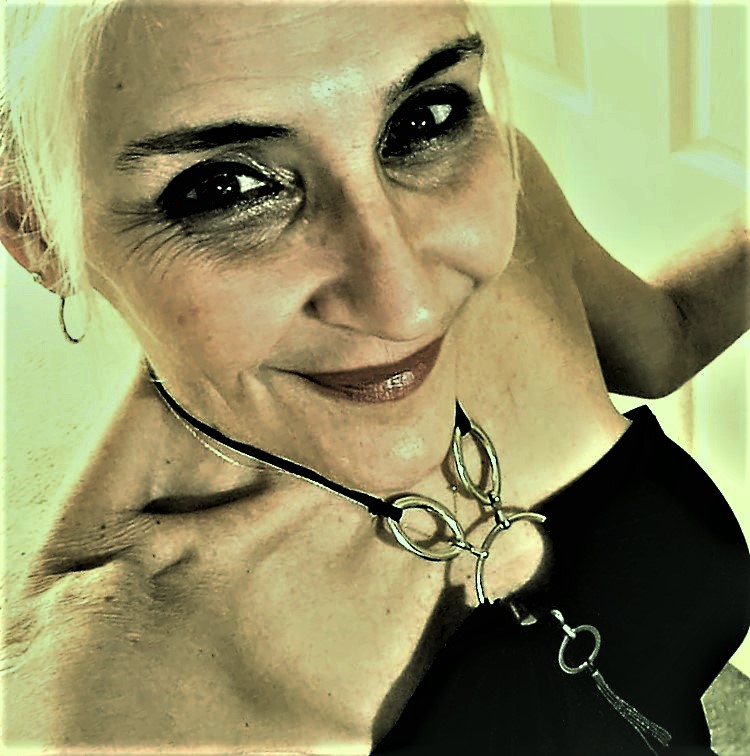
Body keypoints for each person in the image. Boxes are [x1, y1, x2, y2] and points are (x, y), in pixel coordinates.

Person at [1, 1, 748, 753]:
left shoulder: (507, 208)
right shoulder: (109, 715)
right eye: (223, 188)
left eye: (425, 116)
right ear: (37, 231)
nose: (408, 307)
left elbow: (666, 339)